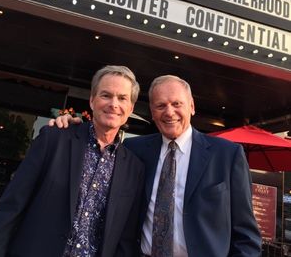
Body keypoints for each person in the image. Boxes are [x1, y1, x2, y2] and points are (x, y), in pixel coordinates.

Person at [50, 74, 262, 257]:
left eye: (176, 104)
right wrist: (71, 125)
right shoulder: (133, 149)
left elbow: (246, 235)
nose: (169, 112)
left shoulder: (227, 155)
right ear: (152, 112)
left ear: (192, 107)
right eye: (160, 105)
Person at [0, 65, 145, 257]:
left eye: (122, 98)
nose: (114, 104)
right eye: (106, 95)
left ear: (130, 108)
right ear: (92, 100)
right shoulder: (54, 139)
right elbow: (11, 207)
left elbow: (125, 239)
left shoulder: (134, 169)